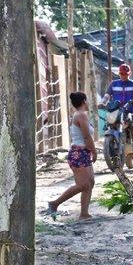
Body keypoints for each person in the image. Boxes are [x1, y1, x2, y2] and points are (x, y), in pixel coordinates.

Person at [46, 92, 96, 221]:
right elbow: (87, 136)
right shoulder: (81, 115)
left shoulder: (81, 115)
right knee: (82, 184)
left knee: (90, 183)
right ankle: (55, 203)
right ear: (84, 101)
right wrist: (94, 151)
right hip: (78, 153)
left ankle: (84, 214)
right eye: (88, 100)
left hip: (83, 152)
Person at [101, 63, 133, 163]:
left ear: (129, 74)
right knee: (110, 124)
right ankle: (112, 148)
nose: (124, 76)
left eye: (126, 74)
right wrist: (103, 101)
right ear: (119, 74)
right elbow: (107, 95)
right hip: (116, 111)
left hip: (131, 111)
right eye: (122, 74)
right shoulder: (113, 84)